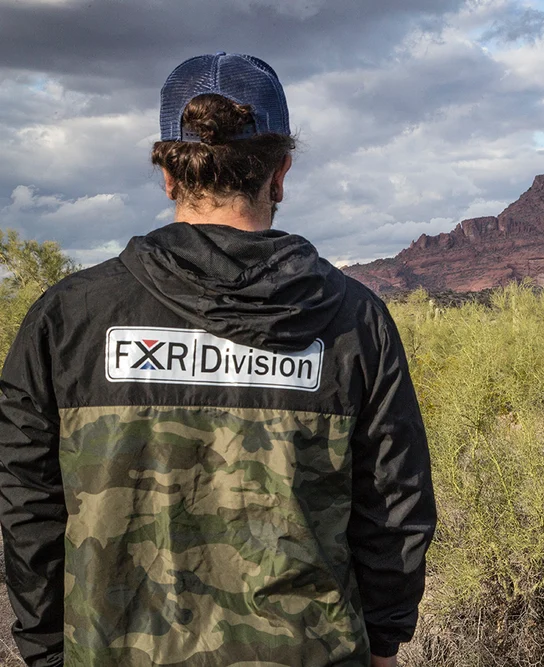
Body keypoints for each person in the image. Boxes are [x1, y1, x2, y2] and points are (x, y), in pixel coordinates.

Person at [0, 52, 436, 667]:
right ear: (280, 173)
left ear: (168, 175)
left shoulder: (69, 317)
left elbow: (27, 505)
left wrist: (46, 649)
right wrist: (385, 642)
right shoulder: (354, 321)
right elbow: (394, 504)